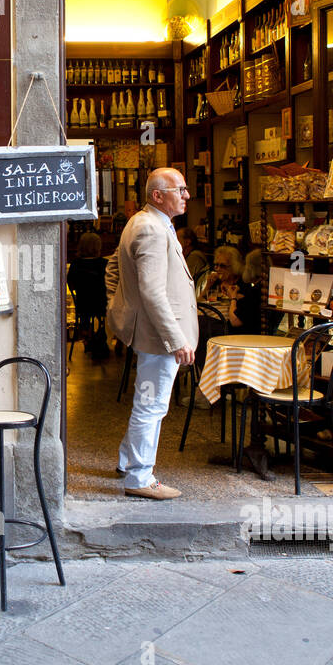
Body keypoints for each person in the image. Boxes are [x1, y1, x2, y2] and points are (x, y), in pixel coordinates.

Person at [105, 167, 198, 500]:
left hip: (150, 330)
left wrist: (120, 304)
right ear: (158, 195)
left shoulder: (143, 222)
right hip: (158, 337)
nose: (186, 195)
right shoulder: (151, 229)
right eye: (180, 189)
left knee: (147, 402)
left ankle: (127, 460)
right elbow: (153, 291)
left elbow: (113, 268)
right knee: (151, 405)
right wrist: (176, 338)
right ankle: (140, 477)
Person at [67, 232, 109, 360]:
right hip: (102, 305)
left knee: (85, 312)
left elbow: (71, 284)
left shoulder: (75, 264)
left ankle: (86, 335)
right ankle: (107, 337)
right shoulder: (104, 264)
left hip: (83, 305)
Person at [201, 245, 261, 334]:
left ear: (234, 267)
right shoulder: (215, 282)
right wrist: (207, 286)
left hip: (229, 330)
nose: (218, 269)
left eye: (222, 266)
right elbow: (198, 304)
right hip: (209, 325)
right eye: (216, 265)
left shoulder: (242, 284)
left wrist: (232, 295)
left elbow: (242, 312)